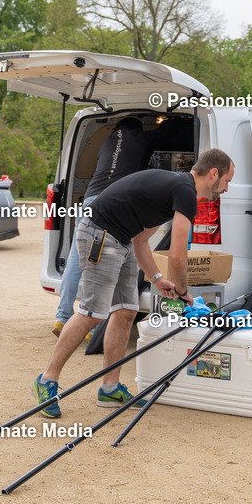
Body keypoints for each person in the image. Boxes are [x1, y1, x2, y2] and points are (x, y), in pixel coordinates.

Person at [32, 149, 235, 418]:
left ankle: (110, 387)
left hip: (121, 238)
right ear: (213, 174)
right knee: (92, 313)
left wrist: (157, 278)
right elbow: (177, 256)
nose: (227, 189)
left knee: (126, 311)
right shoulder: (184, 191)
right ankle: (46, 380)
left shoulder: (174, 189)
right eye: (227, 181)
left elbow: (140, 241)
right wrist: (184, 292)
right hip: (100, 233)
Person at [52, 118, 153, 340]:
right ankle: (94, 327)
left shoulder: (106, 141)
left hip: (89, 201)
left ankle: (62, 316)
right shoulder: (142, 140)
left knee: (75, 261)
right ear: (138, 127)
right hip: (113, 205)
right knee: (109, 264)